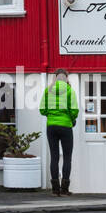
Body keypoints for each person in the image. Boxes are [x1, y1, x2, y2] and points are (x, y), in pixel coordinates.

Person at [40, 68, 80, 196]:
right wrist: (71, 119)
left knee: (54, 157)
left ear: (55, 77)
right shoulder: (69, 90)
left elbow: (42, 110)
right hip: (65, 126)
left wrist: (51, 115)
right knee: (67, 157)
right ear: (66, 77)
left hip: (51, 126)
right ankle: (64, 189)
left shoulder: (48, 90)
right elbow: (74, 110)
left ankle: (55, 189)